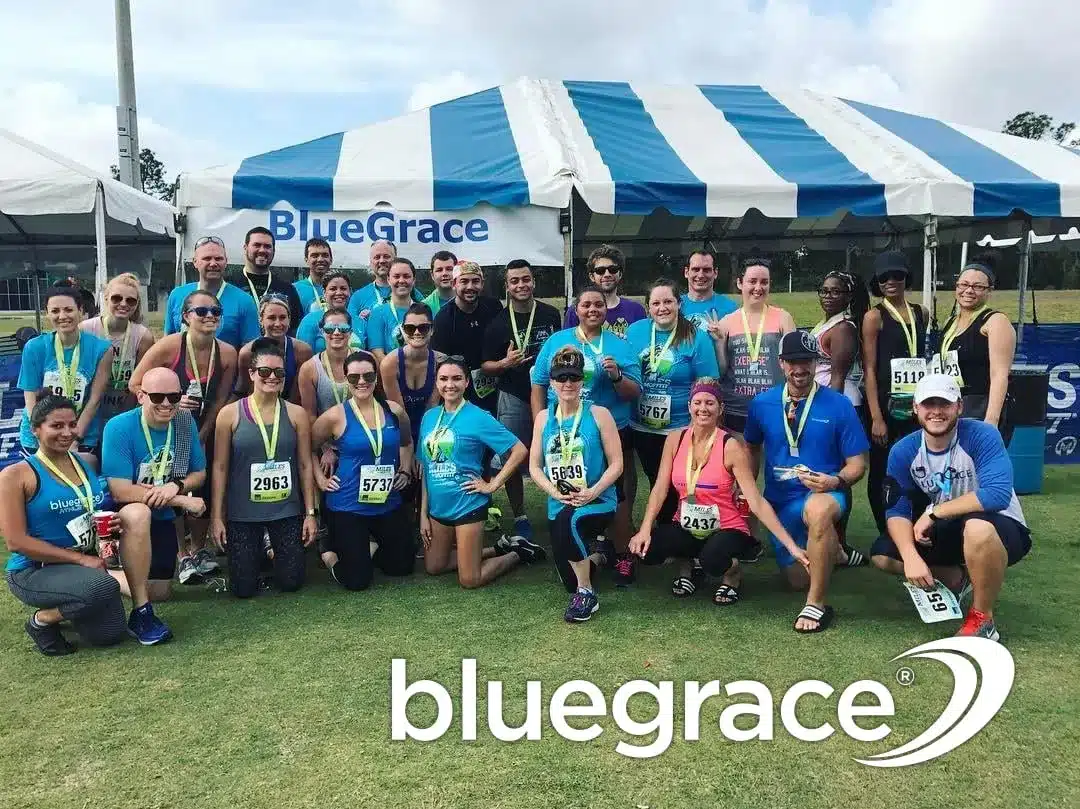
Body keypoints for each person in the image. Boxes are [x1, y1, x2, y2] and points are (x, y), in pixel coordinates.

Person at [2, 395, 172, 654]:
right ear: (36, 429)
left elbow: (90, 510)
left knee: (110, 635)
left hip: (84, 566)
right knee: (103, 586)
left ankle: (76, 601)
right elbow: (16, 541)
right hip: (35, 571)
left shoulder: (85, 463)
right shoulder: (15, 475)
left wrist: (109, 523)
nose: (67, 432)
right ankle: (42, 620)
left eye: (72, 424)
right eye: (57, 426)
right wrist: (80, 560)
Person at [870, 374, 1031, 641]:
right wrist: (911, 558)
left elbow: (996, 495)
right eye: (928, 404)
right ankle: (956, 577)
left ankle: (983, 619)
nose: (936, 412)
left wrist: (933, 513)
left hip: (1000, 526)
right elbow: (896, 510)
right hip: (951, 525)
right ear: (915, 408)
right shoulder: (903, 450)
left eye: (944, 404)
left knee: (977, 528)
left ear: (959, 406)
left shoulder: (983, 435)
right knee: (883, 554)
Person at [629, 379, 807, 603]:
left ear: (721, 408)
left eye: (710, 403)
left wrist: (791, 546)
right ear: (689, 406)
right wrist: (645, 529)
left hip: (727, 527)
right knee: (649, 550)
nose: (703, 408)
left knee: (712, 558)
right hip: (686, 523)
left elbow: (755, 500)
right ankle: (689, 567)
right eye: (698, 402)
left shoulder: (731, 446)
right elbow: (660, 489)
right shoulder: (676, 439)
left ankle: (731, 574)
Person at [743, 331, 869, 632]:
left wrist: (835, 481)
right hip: (780, 501)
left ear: (816, 363)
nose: (800, 369)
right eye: (792, 362)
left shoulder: (839, 405)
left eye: (807, 362)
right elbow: (751, 446)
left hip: (824, 494)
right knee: (798, 581)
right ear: (781, 364)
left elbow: (858, 465)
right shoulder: (762, 404)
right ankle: (834, 551)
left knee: (820, 511)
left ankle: (816, 604)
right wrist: (745, 484)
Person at [531, 286, 643, 585]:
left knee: (615, 495)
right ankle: (588, 549)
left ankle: (622, 554)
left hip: (608, 428)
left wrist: (617, 375)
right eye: (586, 305)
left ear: (606, 310)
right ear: (575, 309)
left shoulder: (619, 344)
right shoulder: (558, 341)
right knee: (569, 488)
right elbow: (539, 383)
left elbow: (635, 392)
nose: (593, 309)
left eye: (598, 304)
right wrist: (539, 424)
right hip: (563, 430)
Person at [130, 290, 238, 584]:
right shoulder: (169, 347)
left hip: (208, 427)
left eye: (215, 311)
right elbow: (135, 383)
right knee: (175, 486)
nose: (210, 317)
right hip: (169, 427)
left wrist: (202, 434)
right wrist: (170, 403)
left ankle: (200, 548)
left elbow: (221, 400)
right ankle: (182, 554)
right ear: (186, 317)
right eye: (201, 311)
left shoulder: (227, 353)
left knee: (203, 487)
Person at [418, 356, 542, 589]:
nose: (449, 385)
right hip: (438, 508)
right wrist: (423, 514)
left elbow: (518, 450)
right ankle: (498, 547)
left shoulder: (478, 417)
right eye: (443, 379)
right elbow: (427, 467)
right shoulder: (429, 417)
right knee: (434, 567)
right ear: (436, 383)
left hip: (468, 504)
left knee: (470, 579)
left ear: (467, 382)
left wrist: (492, 485)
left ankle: (517, 553)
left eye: (456, 379)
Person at [210, 339, 318, 598]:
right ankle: (261, 549)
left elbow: (304, 464)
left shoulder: (296, 414)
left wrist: (311, 513)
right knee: (243, 589)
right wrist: (217, 516)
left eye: (279, 373)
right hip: (243, 513)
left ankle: (272, 549)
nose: (272, 377)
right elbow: (220, 466)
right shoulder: (229, 414)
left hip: (285, 509)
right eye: (265, 372)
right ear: (251, 374)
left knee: (292, 582)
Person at [528, 348, 622, 622]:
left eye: (573, 377)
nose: (567, 384)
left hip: (597, 500)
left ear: (582, 380)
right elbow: (534, 466)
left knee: (569, 524)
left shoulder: (599, 414)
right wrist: (554, 491)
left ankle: (586, 594)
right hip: (559, 499)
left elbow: (617, 464)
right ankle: (601, 556)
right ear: (552, 382)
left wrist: (593, 491)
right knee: (568, 577)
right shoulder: (544, 418)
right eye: (561, 378)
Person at [313, 350, 418, 590]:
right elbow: (307, 449)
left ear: (376, 378)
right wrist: (320, 479)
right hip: (348, 504)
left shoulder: (393, 411)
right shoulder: (334, 417)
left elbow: (406, 441)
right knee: (357, 580)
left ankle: (365, 549)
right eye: (354, 377)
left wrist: (404, 469)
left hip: (386, 500)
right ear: (346, 378)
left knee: (401, 567)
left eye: (368, 376)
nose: (362, 382)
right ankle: (329, 552)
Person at [102, 368, 207, 601]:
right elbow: (120, 491)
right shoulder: (118, 427)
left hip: (161, 514)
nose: (167, 404)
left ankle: (113, 575)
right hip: (126, 513)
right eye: (158, 397)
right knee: (139, 512)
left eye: (174, 397)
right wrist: (181, 499)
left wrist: (176, 485)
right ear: (141, 396)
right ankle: (104, 570)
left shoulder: (183, 421)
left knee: (160, 594)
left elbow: (199, 473)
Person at [625, 279, 720, 525]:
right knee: (655, 475)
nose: (662, 308)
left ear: (679, 303)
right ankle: (668, 527)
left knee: (681, 479)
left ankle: (676, 529)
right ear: (648, 307)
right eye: (655, 303)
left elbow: (707, 382)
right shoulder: (635, 332)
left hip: (681, 426)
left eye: (668, 301)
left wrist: (698, 425)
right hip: (642, 425)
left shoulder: (696, 337)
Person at [480, 259, 562, 543]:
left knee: (557, 451)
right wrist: (504, 362)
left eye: (525, 279)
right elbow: (484, 365)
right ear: (507, 286)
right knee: (512, 456)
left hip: (551, 396)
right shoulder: (498, 323)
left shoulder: (551, 315)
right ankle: (520, 515)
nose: (521, 285)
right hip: (513, 395)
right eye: (514, 281)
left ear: (533, 281)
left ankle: (561, 505)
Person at [861, 251, 930, 534]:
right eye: (884, 277)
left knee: (920, 463)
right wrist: (876, 416)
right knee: (882, 468)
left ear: (906, 278)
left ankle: (917, 523)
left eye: (897, 275)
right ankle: (885, 528)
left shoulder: (921, 313)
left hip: (918, 404)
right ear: (877, 282)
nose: (891, 281)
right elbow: (869, 368)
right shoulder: (874, 317)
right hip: (887, 406)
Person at [933, 252, 1016, 445]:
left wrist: (991, 422)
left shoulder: (995, 321)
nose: (969, 291)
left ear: (989, 291)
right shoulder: (950, 322)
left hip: (980, 408)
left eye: (978, 286)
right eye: (964, 284)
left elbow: (999, 375)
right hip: (950, 408)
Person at [18, 286, 112, 455]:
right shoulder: (34, 347)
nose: (62, 316)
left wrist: (74, 439)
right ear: (47, 313)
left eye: (69, 309)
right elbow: (30, 396)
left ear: (81, 311)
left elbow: (94, 400)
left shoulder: (101, 349)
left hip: (81, 435)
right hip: (39, 437)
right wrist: (43, 436)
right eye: (55, 311)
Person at [711, 257, 796, 434]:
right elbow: (721, 370)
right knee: (741, 461)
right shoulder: (727, 322)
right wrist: (719, 343)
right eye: (752, 281)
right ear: (740, 283)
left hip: (774, 407)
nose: (758, 288)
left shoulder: (783, 318)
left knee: (773, 461)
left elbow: (794, 365)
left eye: (764, 282)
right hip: (736, 410)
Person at [80, 272, 155, 423]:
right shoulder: (86, 329)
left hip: (125, 411)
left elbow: (142, 380)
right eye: (117, 298)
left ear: (136, 305)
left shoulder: (143, 336)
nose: (123, 304)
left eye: (131, 301)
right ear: (106, 298)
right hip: (89, 412)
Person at [431, 261, 504, 415]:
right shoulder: (444, 319)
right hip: (461, 389)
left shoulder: (494, 307)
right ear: (454, 284)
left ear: (482, 284)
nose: (470, 287)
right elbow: (440, 364)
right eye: (464, 281)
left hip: (497, 383)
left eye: (475, 281)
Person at [164, 235, 260, 349]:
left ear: (226, 262)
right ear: (195, 262)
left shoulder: (244, 301)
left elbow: (250, 350)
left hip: (226, 365)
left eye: (218, 258)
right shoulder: (177, 295)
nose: (213, 263)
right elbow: (167, 342)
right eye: (207, 258)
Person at [381, 303, 444, 449]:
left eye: (423, 327)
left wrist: (423, 450)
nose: (417, 332)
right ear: (403, 330)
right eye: (410, 328)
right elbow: (398, 412)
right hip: (398, 428)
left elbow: (432, 407)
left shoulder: (440, 361)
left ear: (432, 330)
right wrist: (409, 450)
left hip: (431, 429)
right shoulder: (389, 363)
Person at [235, 294, 313, 403]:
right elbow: (243, 389)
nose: (277, 323)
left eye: (282, 318)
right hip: (257, 411)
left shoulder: (302, 351)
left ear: (289, 319)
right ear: (261, 320)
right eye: (271, 318)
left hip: (291, 410)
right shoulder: (247, 352)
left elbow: (298, 393)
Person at [228, 226, 304, 333]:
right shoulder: (229, 285)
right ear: (245, 248)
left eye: (267, 246)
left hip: (276, 349)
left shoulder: (287, 289)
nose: (262, 250)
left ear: (274, 250)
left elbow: (295, 328)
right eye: (257, 245)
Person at [811, 270, 869, 409]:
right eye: (824, 291)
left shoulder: (843, 328)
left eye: (835, 292)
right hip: (820, 395)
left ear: (848, 297)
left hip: (837, 400)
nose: (827, 296)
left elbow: (838, 378)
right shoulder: (826, 323)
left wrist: (830, 413)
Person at [565, 244, 646, 337]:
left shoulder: (636, 310)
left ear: (620, 274)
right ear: (592, 276)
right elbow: (567, 345)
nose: (607, 274)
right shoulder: (577, 310)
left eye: (613, 269)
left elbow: (642, 346)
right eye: (600, 270)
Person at [348, 240, 424, 320]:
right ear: (370, 262)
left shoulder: (414, 295)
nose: (382, 261)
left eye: (386, 256)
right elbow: (350, 329)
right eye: (377, 257)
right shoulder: (358, 297)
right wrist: (362, 323)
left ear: (395, 259)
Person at [366, 257, 422, 363]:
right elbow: (377, 352)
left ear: (413, 280)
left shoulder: (424, 312)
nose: (401, 280)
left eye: (406, 276)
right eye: (396, 276)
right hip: (390, 374)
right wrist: (396, 372)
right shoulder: (378, 313)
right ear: (388, 279)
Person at [296, 270, 366, 353]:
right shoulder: (309, 321)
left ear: (350, 291)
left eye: (343, 288)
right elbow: (302, 357)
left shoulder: (360, 322)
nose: (339, 292)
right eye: (333, 289)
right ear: (324, 293)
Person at [680, 249, 738, 328]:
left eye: (706, 270)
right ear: (686, 272)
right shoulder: (674, 306)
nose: (700, 275)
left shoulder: (730, 308)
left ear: (715, 273)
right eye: (696, 269)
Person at [294, 237, 333, 315]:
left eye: (325, 255)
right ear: (306, 260)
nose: (320, 259)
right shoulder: (294, 290)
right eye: (315, 256)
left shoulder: (341, 290)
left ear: (331, 260)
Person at [421, 250, 457, 317]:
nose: (444, 273)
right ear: (432, 275)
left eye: (449, 269)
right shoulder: (424, 307)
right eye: (439, 270)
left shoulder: (468, 301)